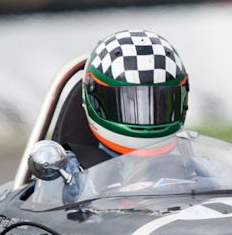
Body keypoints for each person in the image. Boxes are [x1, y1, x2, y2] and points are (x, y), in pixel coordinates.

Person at [79, 29, 190, 164]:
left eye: (158, 104)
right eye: (130, 102)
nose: (144, 113)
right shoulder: (71, 172)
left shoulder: (192, 166)